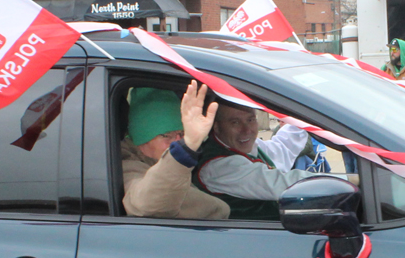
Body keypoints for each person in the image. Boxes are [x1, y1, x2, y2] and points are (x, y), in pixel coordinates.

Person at [193, 103, 322, 220]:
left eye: (250, 120)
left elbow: (281, 150)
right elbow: (282, 184)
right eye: (235, 122)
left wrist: (301, 118)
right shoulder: (218, 167)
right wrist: (336, 182)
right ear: (217, 126)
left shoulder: (241, 144)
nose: (247, 130)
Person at [121, 80, 230, 219]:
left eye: (182, 134)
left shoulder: (152, 159)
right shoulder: (127, 166)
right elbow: (147, 204)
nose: (177, 142)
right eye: (166, 135)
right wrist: (186, 148)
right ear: (140, 139)